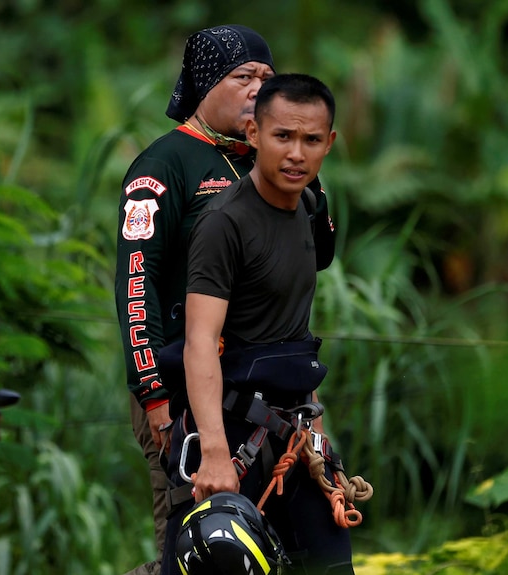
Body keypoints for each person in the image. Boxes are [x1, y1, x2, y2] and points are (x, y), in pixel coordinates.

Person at [114, 25, 336, 575]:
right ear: (205, 85)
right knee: (200, 547)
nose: (259, 89)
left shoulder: (267, 162)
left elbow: (318, 254)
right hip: (186, 392)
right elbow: (136, 286)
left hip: (271, 393)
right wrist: (154, 397)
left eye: (266, 77)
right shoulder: (164, 165)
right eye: (243, 78)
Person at [162, 74, 354, 575]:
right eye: (282, 136)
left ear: (329, 143)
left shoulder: (310, 208)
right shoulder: (225, 223)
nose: (297, 154)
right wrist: (214, 452)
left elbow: (292, 333)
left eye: (311, 140)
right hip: (231, 434)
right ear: (253, 134)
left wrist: (315, 429)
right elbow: (200, 342)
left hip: (296, 434)